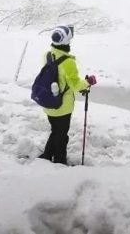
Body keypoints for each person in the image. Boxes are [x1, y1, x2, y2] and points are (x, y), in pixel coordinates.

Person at [38, 25, 96, 165]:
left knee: (56, 131)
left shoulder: (47, 55)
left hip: (48, 103)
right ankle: (60, 162)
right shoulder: (68, 62)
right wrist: (88, 82)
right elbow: (76, 85)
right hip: (62, 107)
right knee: (61, 135)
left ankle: (47, 156)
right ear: (67, 41)